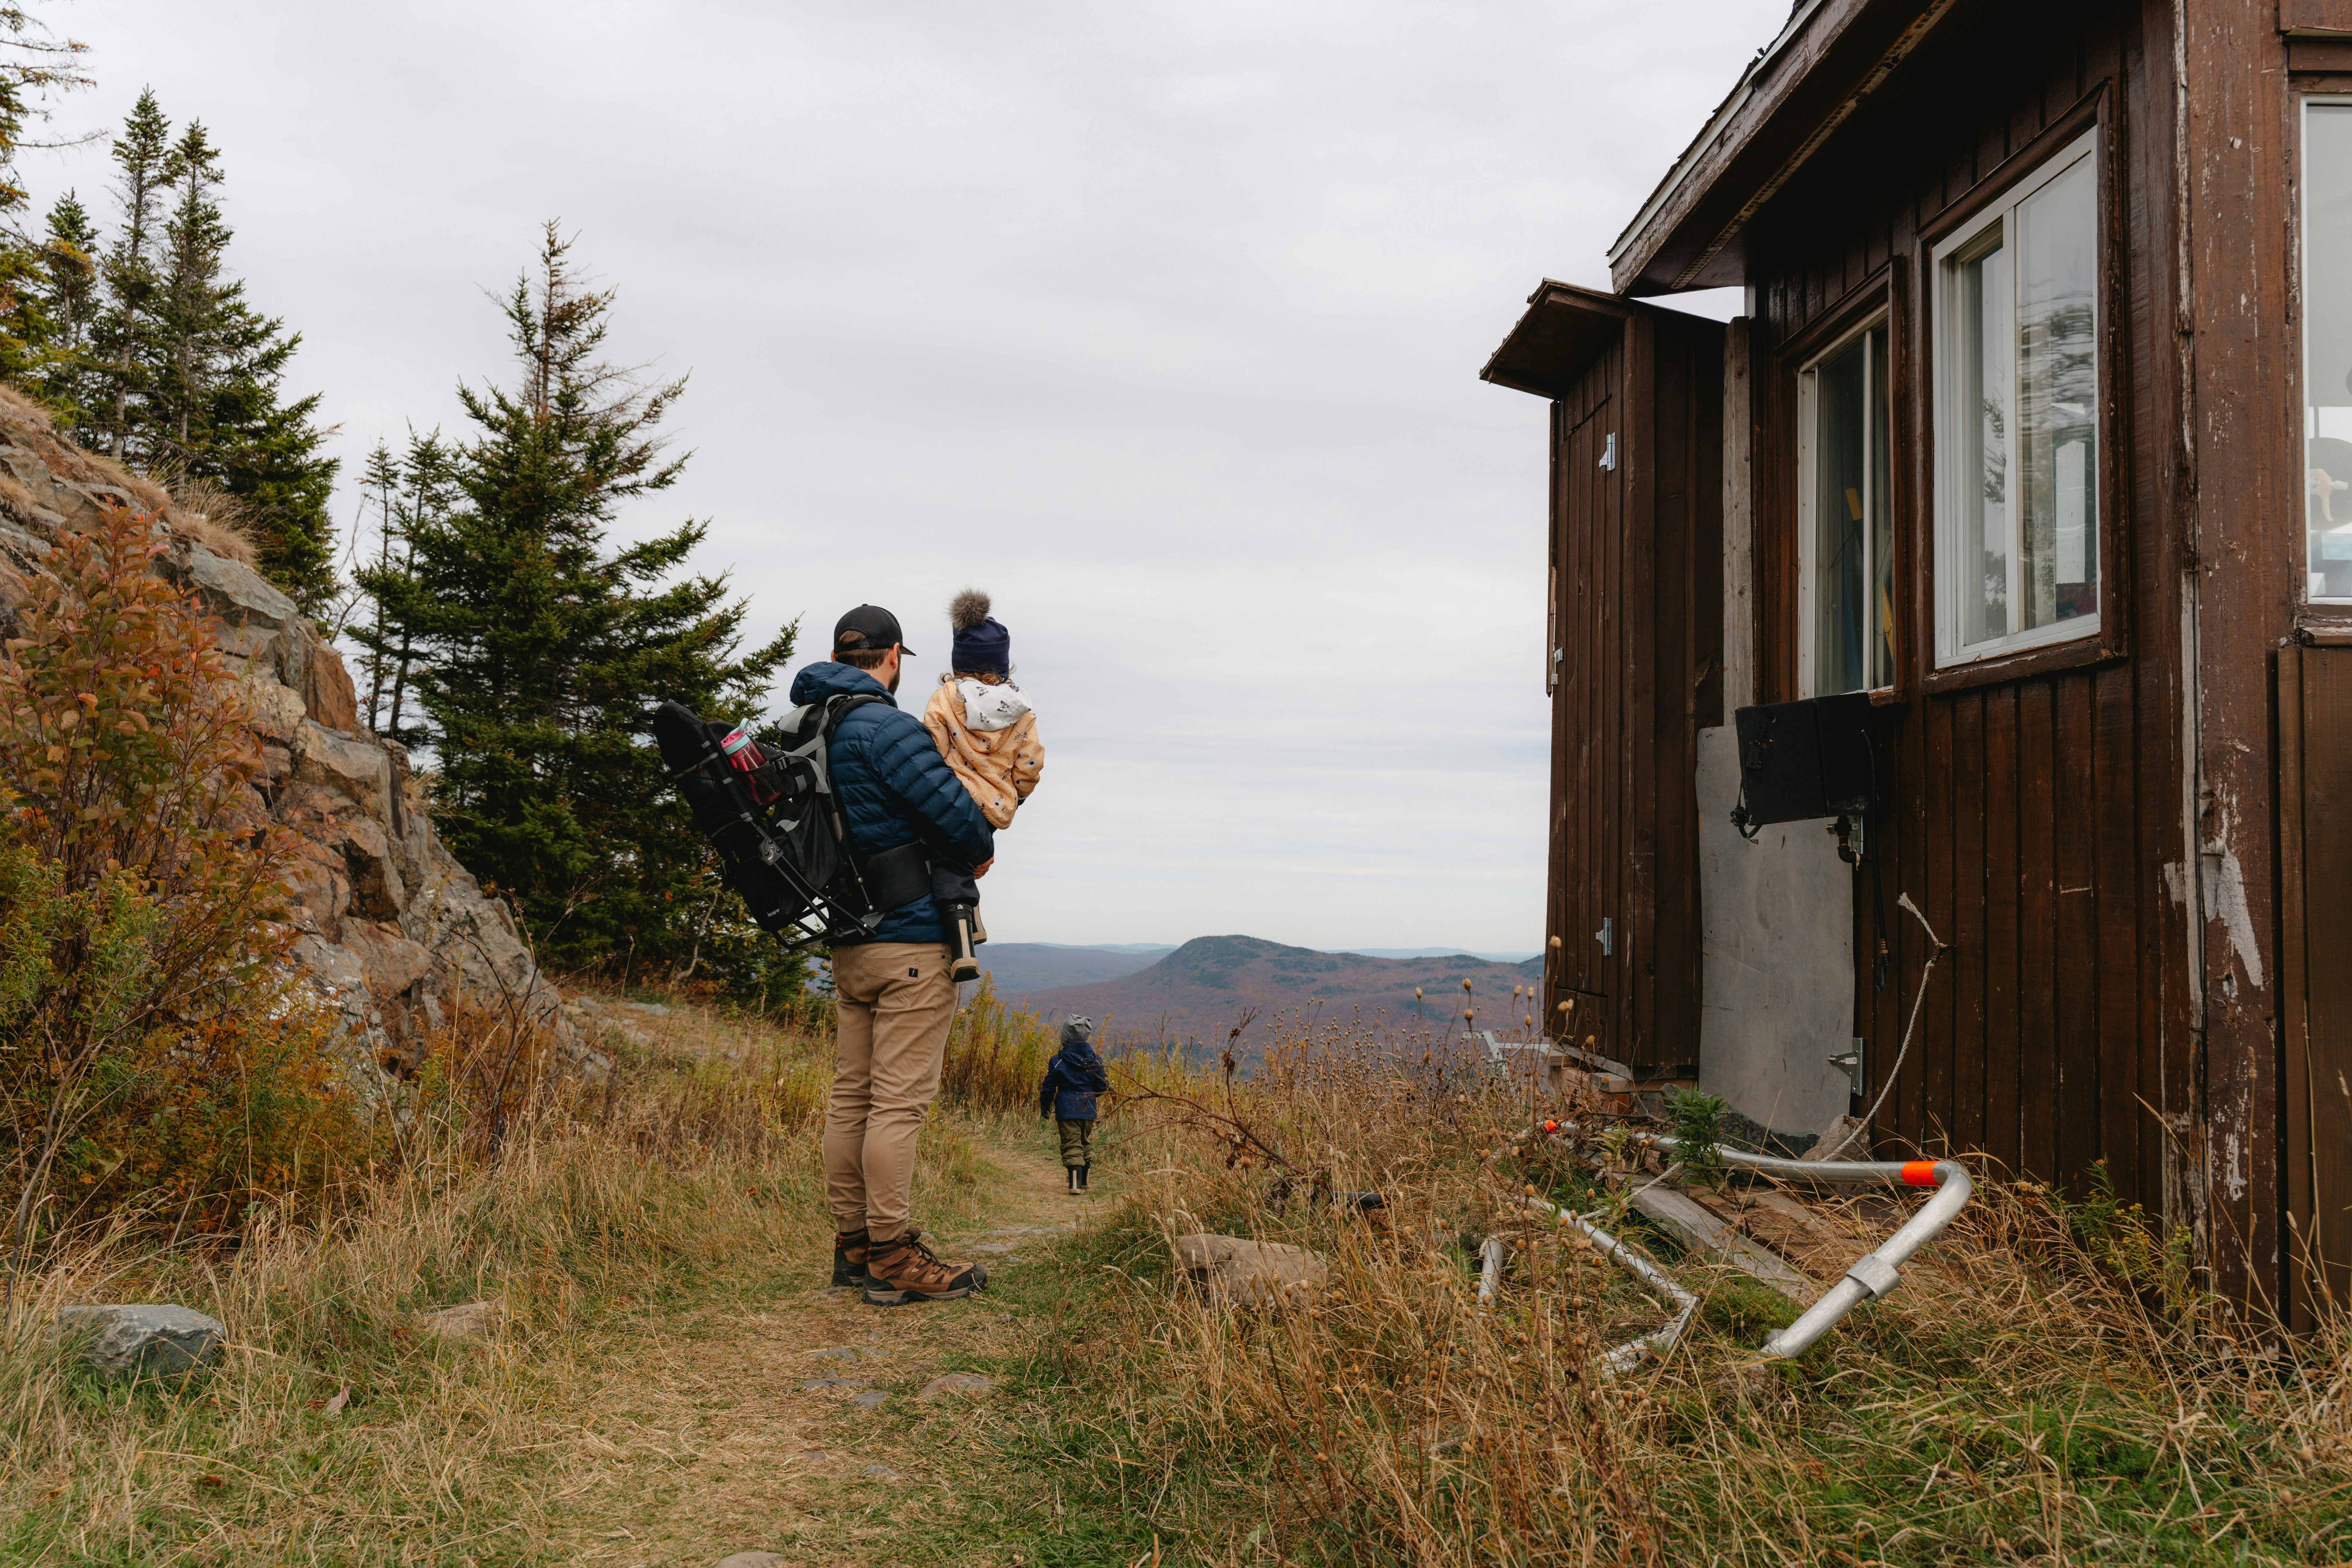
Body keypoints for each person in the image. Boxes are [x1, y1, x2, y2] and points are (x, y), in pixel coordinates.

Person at [796, 604, 997, 1305]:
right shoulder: (885, 727)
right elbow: (961, 821)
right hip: (911, 938)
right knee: (898, 1106)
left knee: (852, 1097)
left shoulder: (809, 727)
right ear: (892, 658)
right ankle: (892, 1254)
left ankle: (854, 1246)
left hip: (850, 940)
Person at [920, 589, 1044, 980]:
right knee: (969, 859)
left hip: (953, 799)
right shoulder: (1021, 710)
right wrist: (1017, 797)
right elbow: (1031, 762)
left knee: (946, 863)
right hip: (995, 805)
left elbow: (932, 750)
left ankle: (962, 948)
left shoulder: (943, 700)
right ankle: (975, 918)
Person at [1038, 1015, 1110, 1194]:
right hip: (1089, 1110)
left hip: (1066, 1109)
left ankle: (1075, 1186)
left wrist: (1045, 1107)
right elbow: (1102, 1087)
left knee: (1071, 1145)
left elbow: (1048, 1086)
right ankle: (1085, 1181)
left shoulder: (1058, 1061)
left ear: (1065, 1036)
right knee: (1085, 1142)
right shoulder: (1096, 1060)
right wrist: (1091, 1098)